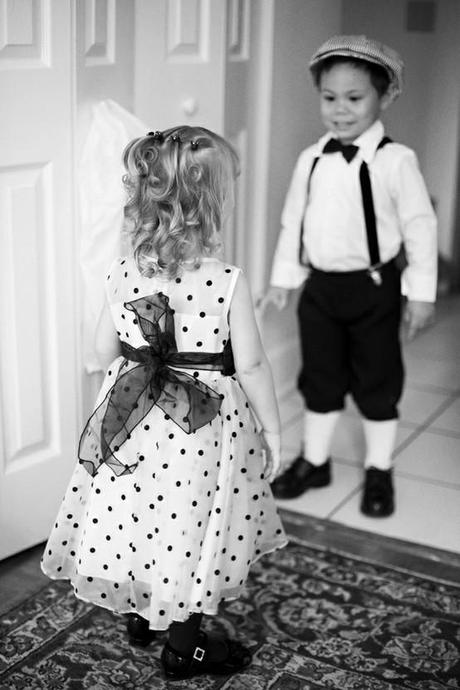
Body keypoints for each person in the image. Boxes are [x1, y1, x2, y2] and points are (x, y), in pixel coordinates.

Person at [41, 125, 287, 680]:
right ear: (214, 204)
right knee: (191, 527)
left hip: (130, 421)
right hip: (199, 430)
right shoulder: (226, 281)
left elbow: (100, 348)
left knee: (139, 516)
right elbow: (249, 365)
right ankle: (185, 646)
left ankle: (143, 612)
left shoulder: (121, 273)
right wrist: (272, 430)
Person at [262, 35, 437, 517]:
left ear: (384, 97)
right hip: (320, 288)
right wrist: (284, 278)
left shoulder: (395, 161)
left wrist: (419, 293)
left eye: (354, 98)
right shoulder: (311, 159)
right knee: (319, 375)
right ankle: (315, 461)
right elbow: (293, 219)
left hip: (374, 288)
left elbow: (420, 227)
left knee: (377, 380)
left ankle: (379, 468)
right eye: (330, 98)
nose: (340, 110)